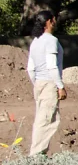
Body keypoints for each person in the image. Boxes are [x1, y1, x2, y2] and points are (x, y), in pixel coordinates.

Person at [26, 11, 64, 156]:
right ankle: (36, 156)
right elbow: (52, 66)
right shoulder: (50, 40)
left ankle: (37, 154)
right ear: (48, 22)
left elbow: (31, 68)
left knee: (42, 119)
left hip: (39, 83)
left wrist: (37, 83)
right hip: (49, 83)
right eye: (53, 19)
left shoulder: (35, 41)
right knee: (47, 121)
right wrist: (60, 86)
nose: (55, 22)